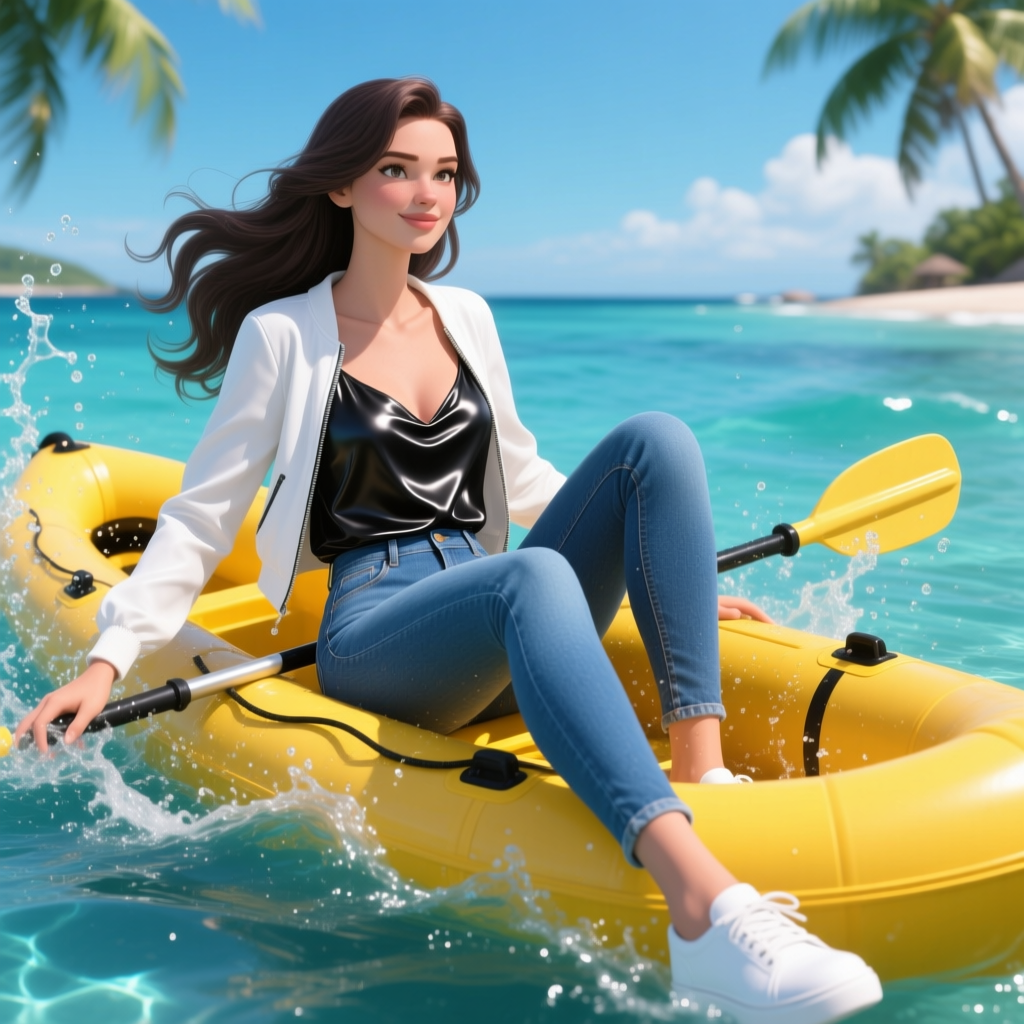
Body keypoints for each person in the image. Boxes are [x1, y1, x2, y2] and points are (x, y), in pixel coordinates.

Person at [15, 78, 881, 1023]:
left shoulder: (465, 315)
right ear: (342, 186)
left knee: (655, 439)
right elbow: (202, 515)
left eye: (444, 173)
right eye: (396, 170)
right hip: (381, 630)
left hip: (508, 596)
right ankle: (704, 913)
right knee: (532, 575)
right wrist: (108, 658)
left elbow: (527, 474)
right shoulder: (283, 335)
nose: (426, 193)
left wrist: (663, 579)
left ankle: (699, 770)